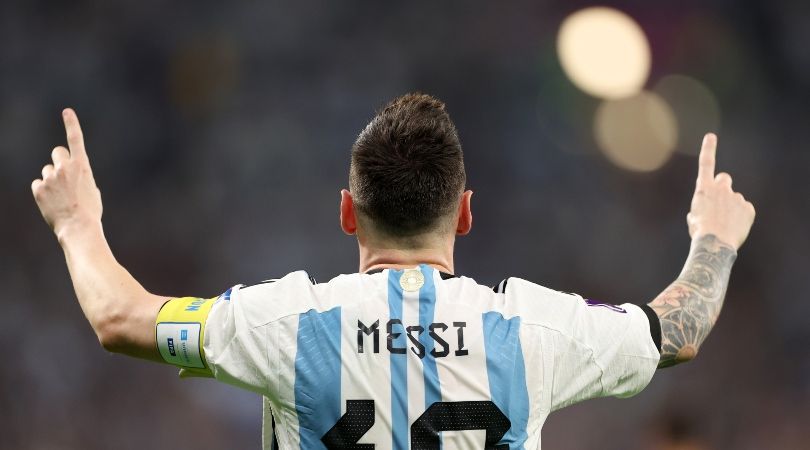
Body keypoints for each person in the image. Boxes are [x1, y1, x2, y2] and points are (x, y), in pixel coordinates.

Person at [31, 93, 755, 449]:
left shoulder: (288, 325)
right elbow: (675, 331)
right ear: (466, 214)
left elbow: (118, 317)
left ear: (347, 212)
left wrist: (77, 222)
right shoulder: (537, 331)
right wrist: (712, 240)